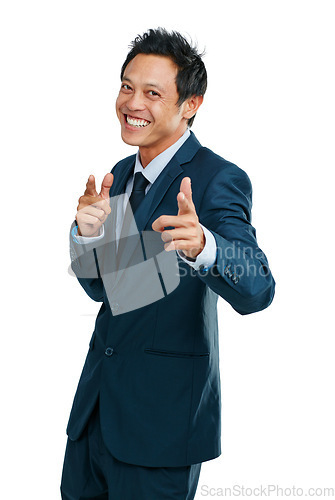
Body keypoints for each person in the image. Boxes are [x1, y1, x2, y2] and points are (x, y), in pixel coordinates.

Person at [61, 28, 275, 500]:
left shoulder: (218, 178)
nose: (133, 103)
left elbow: (258, 287)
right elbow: (109, 292)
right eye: (126, 86)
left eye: (153, 93)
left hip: (161, 426)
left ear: (191, 104)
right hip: (94, 418)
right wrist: (88, 236)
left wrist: (206, 246)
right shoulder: (119, 176)